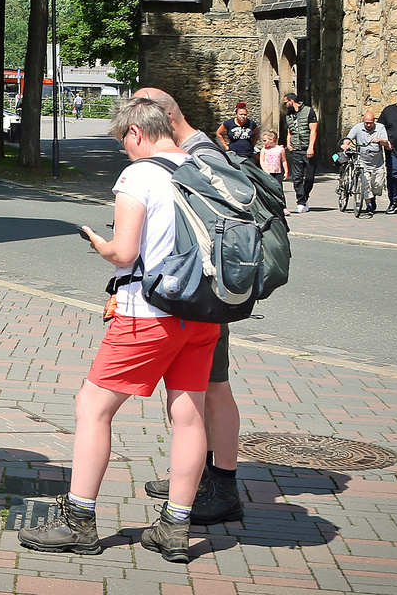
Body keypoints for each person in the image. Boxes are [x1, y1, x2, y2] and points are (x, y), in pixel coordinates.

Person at [18, 97, 216, 562]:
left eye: (122, 142)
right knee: (189, 416)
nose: (123, 151)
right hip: (204, 312)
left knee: (93, 407)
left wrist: (100, 243)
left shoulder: (139, 175)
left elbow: (125, 254)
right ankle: (175, 527)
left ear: (135, 133)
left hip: (148, 313)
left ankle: (78, 520)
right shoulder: (202, 168)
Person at [130, 87, 244, 526]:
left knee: (213, 387)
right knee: (192, 391)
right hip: (190, 293)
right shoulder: (190, 152)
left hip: (203, 295)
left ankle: (224, 485)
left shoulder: (201, 154)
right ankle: (193, 476)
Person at [340, 110, 390, 216]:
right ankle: (369, 205)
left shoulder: (380, 127)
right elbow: (348, 138)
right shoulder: (358, 127)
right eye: (366, 122)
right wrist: (345, 145)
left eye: (370, 123)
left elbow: (386, 143)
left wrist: (379, 140)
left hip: (377, 163)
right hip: (362, 161)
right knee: (365, 182)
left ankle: (372, 197)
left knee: (378, 185)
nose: (368, 125)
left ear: (374, 121)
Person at [282, 93, 318, 213]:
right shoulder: (289, 115)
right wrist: (289, 144)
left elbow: (313, 130)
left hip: (307, 149)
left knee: (309, 178)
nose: (285, 105)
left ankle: (305, 197)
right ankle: (301, 202)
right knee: (297, 178)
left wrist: (311, 147)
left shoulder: (309, 112)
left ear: (292, 101)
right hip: (296, 150)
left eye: (286, 103)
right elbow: (290, 131)